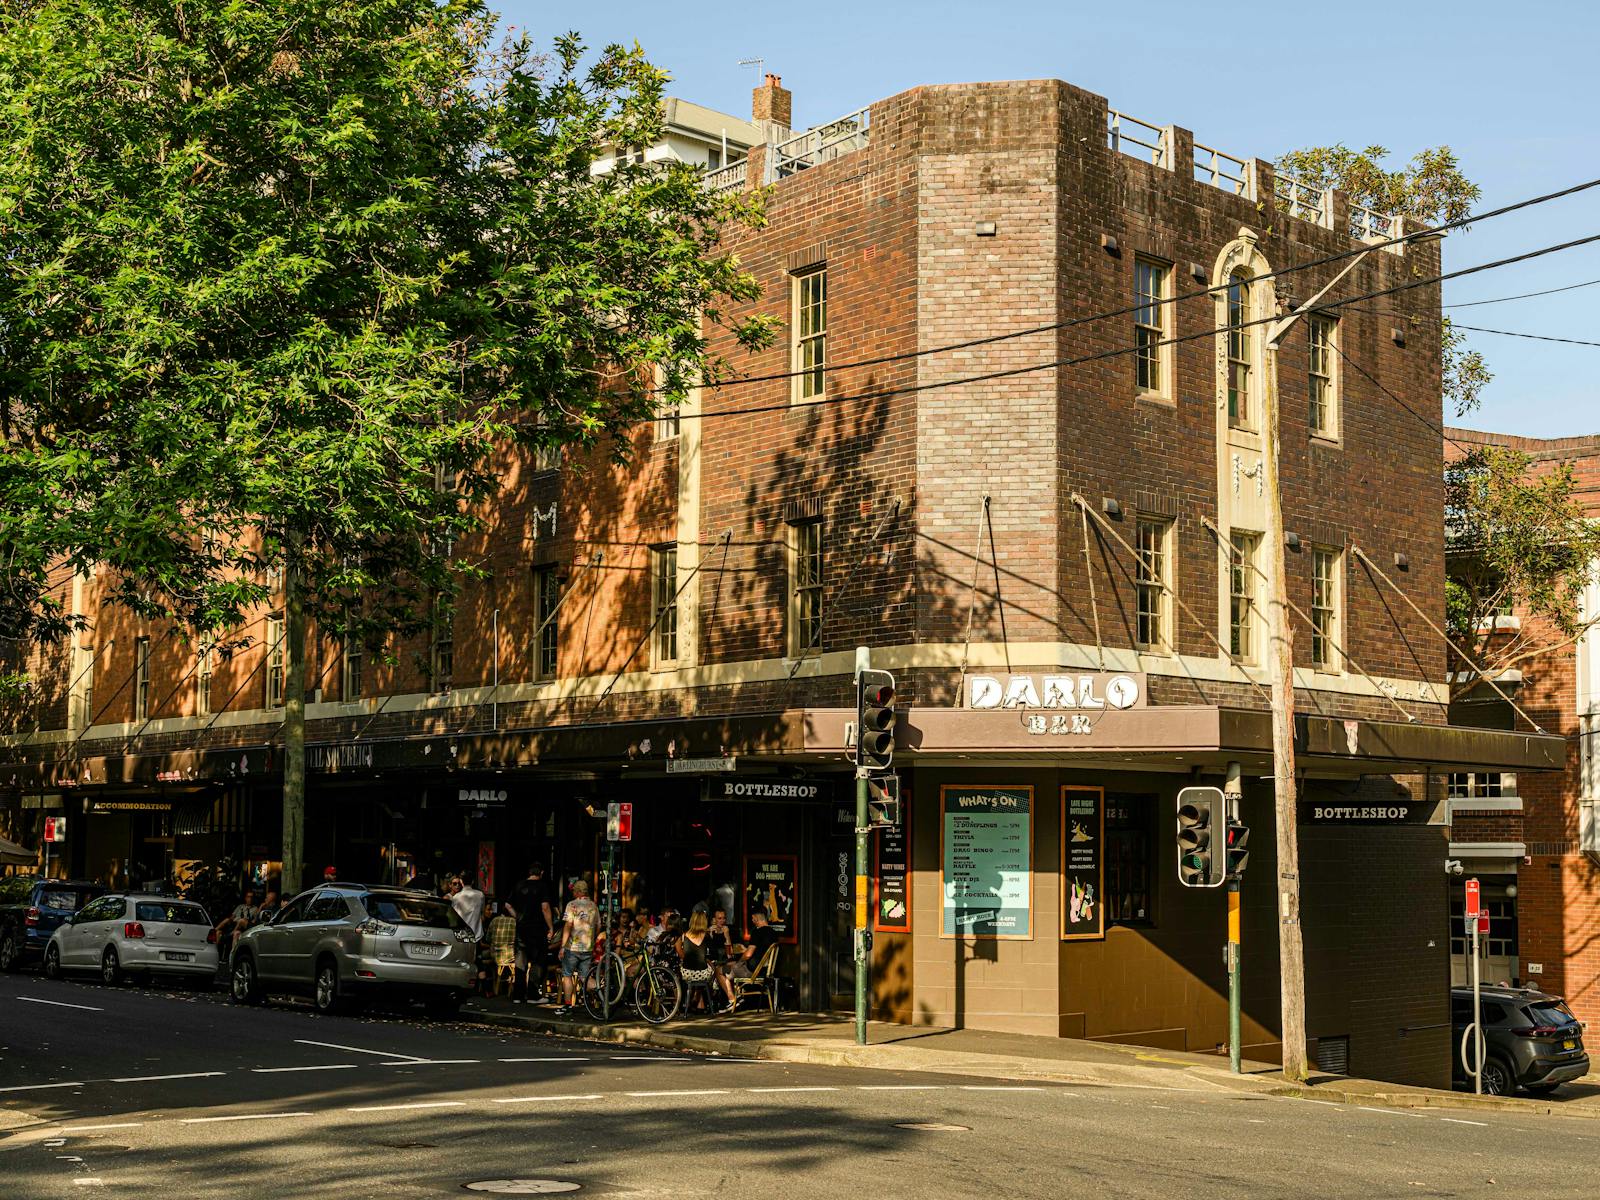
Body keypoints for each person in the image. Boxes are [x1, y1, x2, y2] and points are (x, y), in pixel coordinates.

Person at [507, 863, 555, 1004]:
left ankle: (518, 995)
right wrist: (551, 927)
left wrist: (518, 917)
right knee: (537, 961)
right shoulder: (542, 886)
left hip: (522, 928)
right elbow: (545, 907)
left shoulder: (519, 885)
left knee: (520, 962)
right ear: (541, 872)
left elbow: (508, 905)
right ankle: (533, 995)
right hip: (537, 928)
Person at [679, 910, 735, 1012]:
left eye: (724, 918)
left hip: (687, 973)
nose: (722, 921)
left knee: (716, 968)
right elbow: (709, 953)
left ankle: (698, 1004)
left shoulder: (684, 935)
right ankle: (723, 1000)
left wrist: (726, 935)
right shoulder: (706, 935)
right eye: (719, 918)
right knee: (716, 970)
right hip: (702, 972)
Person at [555, 880, 598, 1014]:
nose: (573, 893)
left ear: (578, 891)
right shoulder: (593, 906)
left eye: (574, 891)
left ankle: (568, 1005)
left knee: (567, 975)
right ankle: (601, 992)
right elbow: (598, 926)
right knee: (584, 976)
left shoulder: (572, 905)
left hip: (572, 947)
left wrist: (562, 946)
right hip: (587, 948)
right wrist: (592, 940)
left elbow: (568, 925)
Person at [729, 909, 779, 980]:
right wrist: (746, 950)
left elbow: (748, 955)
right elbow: (762, 952)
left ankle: (730, 991)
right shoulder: (773, 933)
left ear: (756, 918)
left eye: (752, 918)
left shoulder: (757, 932)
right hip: (765, 970)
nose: (752, 920)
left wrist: (739, 962)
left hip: (753, 972)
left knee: (720, 970)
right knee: (730, 965)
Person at [212, 888, 259, 961]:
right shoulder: (240, 907)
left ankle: (233, 958)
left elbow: (254, 922)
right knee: (219, 932)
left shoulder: (255, 909)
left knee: (240, 925)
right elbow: (231, 917)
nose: (250, 899)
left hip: (243, 928)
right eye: (248, 897)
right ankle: (215, 951)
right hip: (234, 924)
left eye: (251, 897)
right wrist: (230, 920)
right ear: (245, 898)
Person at [483, 899, 517, 997]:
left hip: (495, 956)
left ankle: (493, 986)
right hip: (511, 957)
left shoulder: (494, 920)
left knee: (483, 957)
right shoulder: (515, 922)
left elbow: (488, 938)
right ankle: (514, 987)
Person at [451, 874, 486, 940]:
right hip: (477, 935)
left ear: (461, 881)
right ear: (472, 881)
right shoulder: (480, 895)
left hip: (461, 936)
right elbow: (482, 914)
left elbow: (453, 917)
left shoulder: (456, 897)